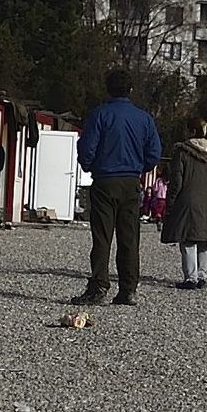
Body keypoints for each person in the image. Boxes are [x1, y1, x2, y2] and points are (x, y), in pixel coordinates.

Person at [74, 70, 163, 307]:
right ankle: (128, 289)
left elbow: (87, 148)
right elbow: (154, 153)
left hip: (104, 180)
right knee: (129, 237)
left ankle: (99, 285)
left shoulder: (100, 115)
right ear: (131, 90)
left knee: (102, 237)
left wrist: (90, 165)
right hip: (131, 180)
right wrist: (140, 167)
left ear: (108, 89)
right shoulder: (144, 119)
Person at [160, 122, 207, 290]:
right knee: (204, 240)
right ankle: (203, 275)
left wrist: (171, 202)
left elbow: (176, 181)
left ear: (191, 131)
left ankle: (191, 277)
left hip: (188, 200)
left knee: (188, 240)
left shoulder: (182, 152)